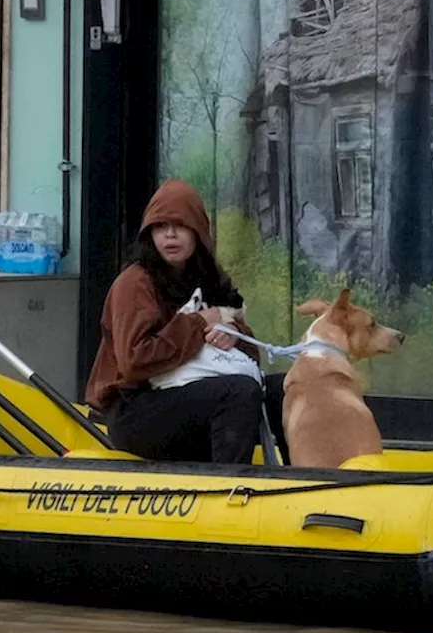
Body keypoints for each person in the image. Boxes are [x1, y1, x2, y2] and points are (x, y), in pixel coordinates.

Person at [84, 178, 289, 465]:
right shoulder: (134, 282)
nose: (170, 236)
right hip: (136, 410)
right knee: (239, 392)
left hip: (194, 395)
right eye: (160, 227)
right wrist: (198, 322)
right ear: (149, 235)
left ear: (198, 233)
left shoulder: (210, 279)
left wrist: (232, 333)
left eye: (180, 226)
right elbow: (135, 360)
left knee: (286, 387)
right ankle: (229, 488)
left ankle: (302, 478)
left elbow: (251, 359)